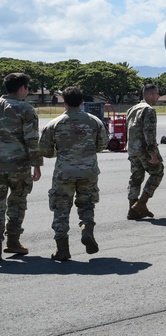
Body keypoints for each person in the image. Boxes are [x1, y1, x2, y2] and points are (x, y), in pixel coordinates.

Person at [38, 86, 109, 260]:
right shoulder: (95, 122)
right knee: (87, 205)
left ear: (64, 101)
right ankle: (86, 228)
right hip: (88, 171)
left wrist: (61, 153)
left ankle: (62, 249)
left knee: (61, 210)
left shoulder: (54, 124)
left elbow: (45, 150)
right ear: (82, 102)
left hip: (64, 173)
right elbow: (102, 144)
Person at [0, 72, 43, 256]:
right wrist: (37, 164)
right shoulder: (26, 110)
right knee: (17, 203)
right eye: (28, 88)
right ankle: (13, 240)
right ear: (22, 88)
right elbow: (32, 140)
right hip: (18, 165)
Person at [124, 84, 163, 220]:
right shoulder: (149, 110)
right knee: (157, 172)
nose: (158, 96)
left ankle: (132, 209)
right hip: (144, 148)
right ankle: (141, 203)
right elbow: (149, 132)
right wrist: (153, 153)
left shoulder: (132, 109)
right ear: (149, 95)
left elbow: (126, 130)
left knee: (136, 177)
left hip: (132, 148)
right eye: (156, 93)